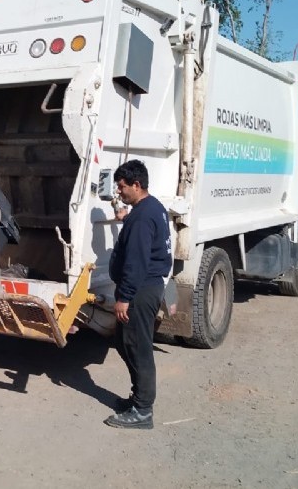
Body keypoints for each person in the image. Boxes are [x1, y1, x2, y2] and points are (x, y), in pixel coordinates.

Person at [105, 159, 172, 429]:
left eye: (122, 187)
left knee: (138, 346)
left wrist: (124, 297)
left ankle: (143, 411)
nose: (119, 192)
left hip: (141, 289)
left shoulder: (143, 217)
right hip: (146, 286)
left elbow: (136, 260)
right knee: (124, 342)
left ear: (137, 185)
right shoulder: (149, 208)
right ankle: (138, 398)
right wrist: (127, 219)